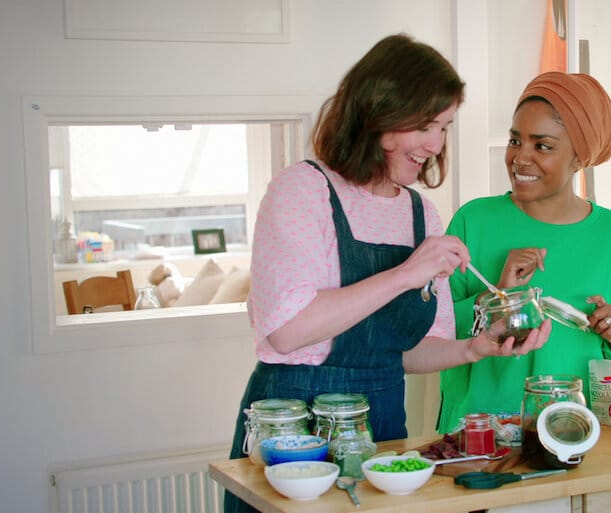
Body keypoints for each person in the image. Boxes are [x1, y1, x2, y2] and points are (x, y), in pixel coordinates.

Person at [225, 34, 552, 513]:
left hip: (381, 425)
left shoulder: (423, 214)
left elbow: (410, 352)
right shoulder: (302, 190)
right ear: (377, 111)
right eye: (425, 125)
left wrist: (473, 347)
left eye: (444, 127)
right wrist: (406, 273)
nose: (435, 145)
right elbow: (287, 331)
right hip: (294, 430)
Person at [438, 71, 611, 436]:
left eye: (541, 146)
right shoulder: (473, 222)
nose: (520, 158)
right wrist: (496, 295)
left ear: (579, 158)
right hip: (482, 431)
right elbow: (434, 327)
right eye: (516, 140)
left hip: (581, 430)